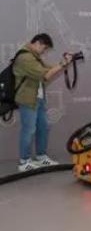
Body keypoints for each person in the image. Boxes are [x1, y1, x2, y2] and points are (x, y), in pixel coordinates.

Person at [13, 33, 73, 172]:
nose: (44, 51)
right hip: (28, 99)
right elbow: (45, 74)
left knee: (43, 127)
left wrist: (64, 62)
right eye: (44, 48)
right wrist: (62, 64)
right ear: (38, 43)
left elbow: (49, 69)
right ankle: (24, 161)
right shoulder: (25, 57)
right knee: (29, 130)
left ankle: (41, 157)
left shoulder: (35, 57)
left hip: (38, 98)